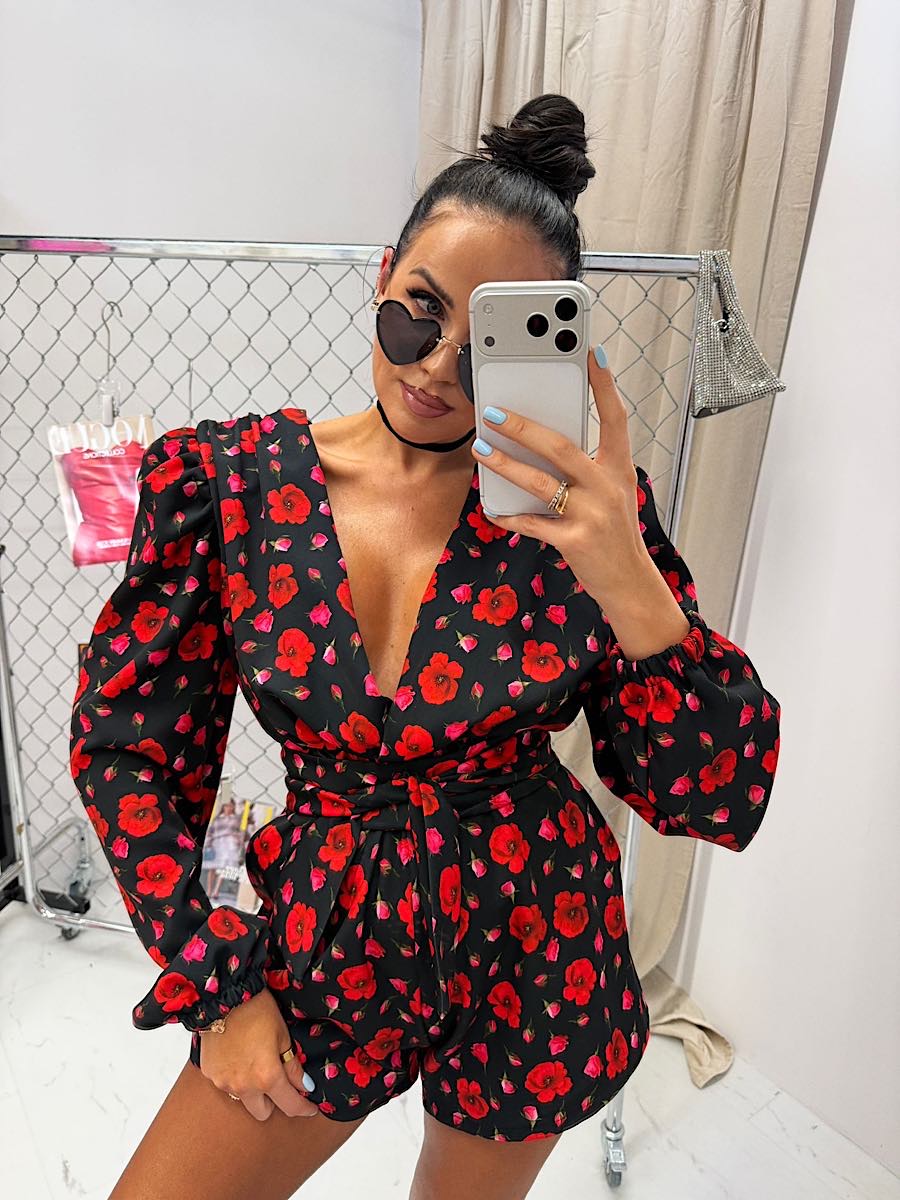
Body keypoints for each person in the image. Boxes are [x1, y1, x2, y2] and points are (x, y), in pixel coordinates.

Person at [68, 93, 781, 1200]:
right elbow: (128, 749)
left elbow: (716, 796)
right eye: (420, 313)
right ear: (382, 278)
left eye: (489, 342)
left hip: (542, 945)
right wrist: (216, 983)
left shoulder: (583, 515)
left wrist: (631, 580)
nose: (440, 367)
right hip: (326, 937)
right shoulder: (229, 487)